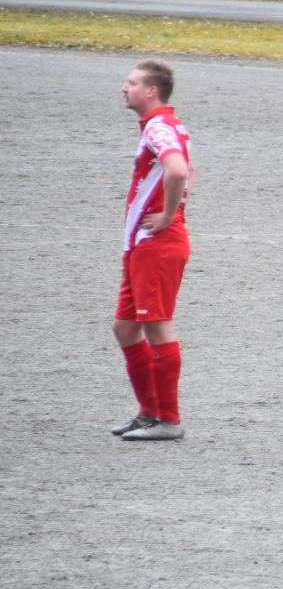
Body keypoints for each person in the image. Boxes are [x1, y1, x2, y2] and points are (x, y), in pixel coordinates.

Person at [112, 59, 194, 442]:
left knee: (157, 323)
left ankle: (168, 419)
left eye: (131, 83)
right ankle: (148, 413)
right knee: (126, 328)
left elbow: (177, 169)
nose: (123, 88)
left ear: (151, 91)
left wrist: (166, 214)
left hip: (157, 244)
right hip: (141, 246)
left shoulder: (160, 127)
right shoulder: (166, 125)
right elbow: (188, 170)